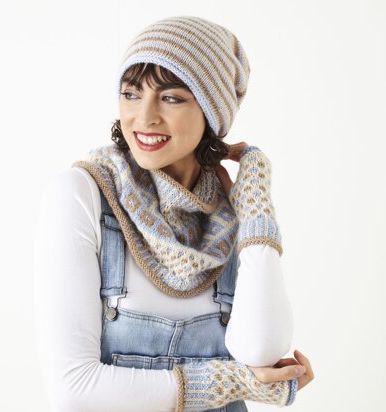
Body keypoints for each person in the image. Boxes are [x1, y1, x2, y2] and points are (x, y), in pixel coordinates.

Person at [34, 15, 314, 412]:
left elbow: (261, 349)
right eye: (131, 94)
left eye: (171, 98)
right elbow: (73, 390)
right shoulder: (84, 194)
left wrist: (255, 209)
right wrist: (234, 382)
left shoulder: (234, 213)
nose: (144, 116)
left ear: (212, 113)